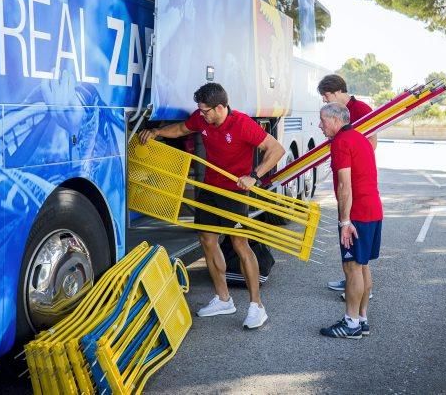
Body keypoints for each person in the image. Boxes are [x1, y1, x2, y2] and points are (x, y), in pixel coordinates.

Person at [139, 83, 285, 329]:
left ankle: (256, 306)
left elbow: (276, 149)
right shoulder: (202, 118)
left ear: (220, 107)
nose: (201, 114)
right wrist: (157, 133)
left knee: (240, 244)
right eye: (200, 110)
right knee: (207, 240)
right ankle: (223, 298)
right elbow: (181, 129)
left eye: (206, 110)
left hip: (235, 192)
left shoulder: (242, 124)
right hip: (210, 189)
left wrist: (255, 175)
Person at [317, 102, 383, 339]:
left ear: (336, 120)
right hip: (373, 210)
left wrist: (345, 221)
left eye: (323, 120)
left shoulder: (341, 143)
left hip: (357, 214)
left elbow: (345, 185)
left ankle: (351, 323)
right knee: (362, 265)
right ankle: (362, 318)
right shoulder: (360, 138)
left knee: (352, 267)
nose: (320, 125)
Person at [317, 74, 377, 295]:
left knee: (355, 253)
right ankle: (352, 284)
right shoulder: (339, 126)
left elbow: (370, 144)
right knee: (355, 257)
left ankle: (356, 291)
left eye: (326, 96)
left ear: (337, 92)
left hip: (356, 187)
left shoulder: (361, 109)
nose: (325, 101)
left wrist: (349, 162)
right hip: (354, 184)